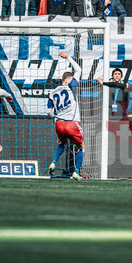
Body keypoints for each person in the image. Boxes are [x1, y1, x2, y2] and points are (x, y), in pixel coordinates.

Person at [47, 51, 85, 181]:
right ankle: (76, 172)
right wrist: (68, 57)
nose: (75, 80)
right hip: (71, 123)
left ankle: (53, 162)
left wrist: (56, 118)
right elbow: (78, 69)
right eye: (72, 78)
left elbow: (49, 112)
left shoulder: (52, 92)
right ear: (67, 80)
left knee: (63, 142)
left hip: (59, 123)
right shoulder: (70, 86)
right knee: (81, 147)